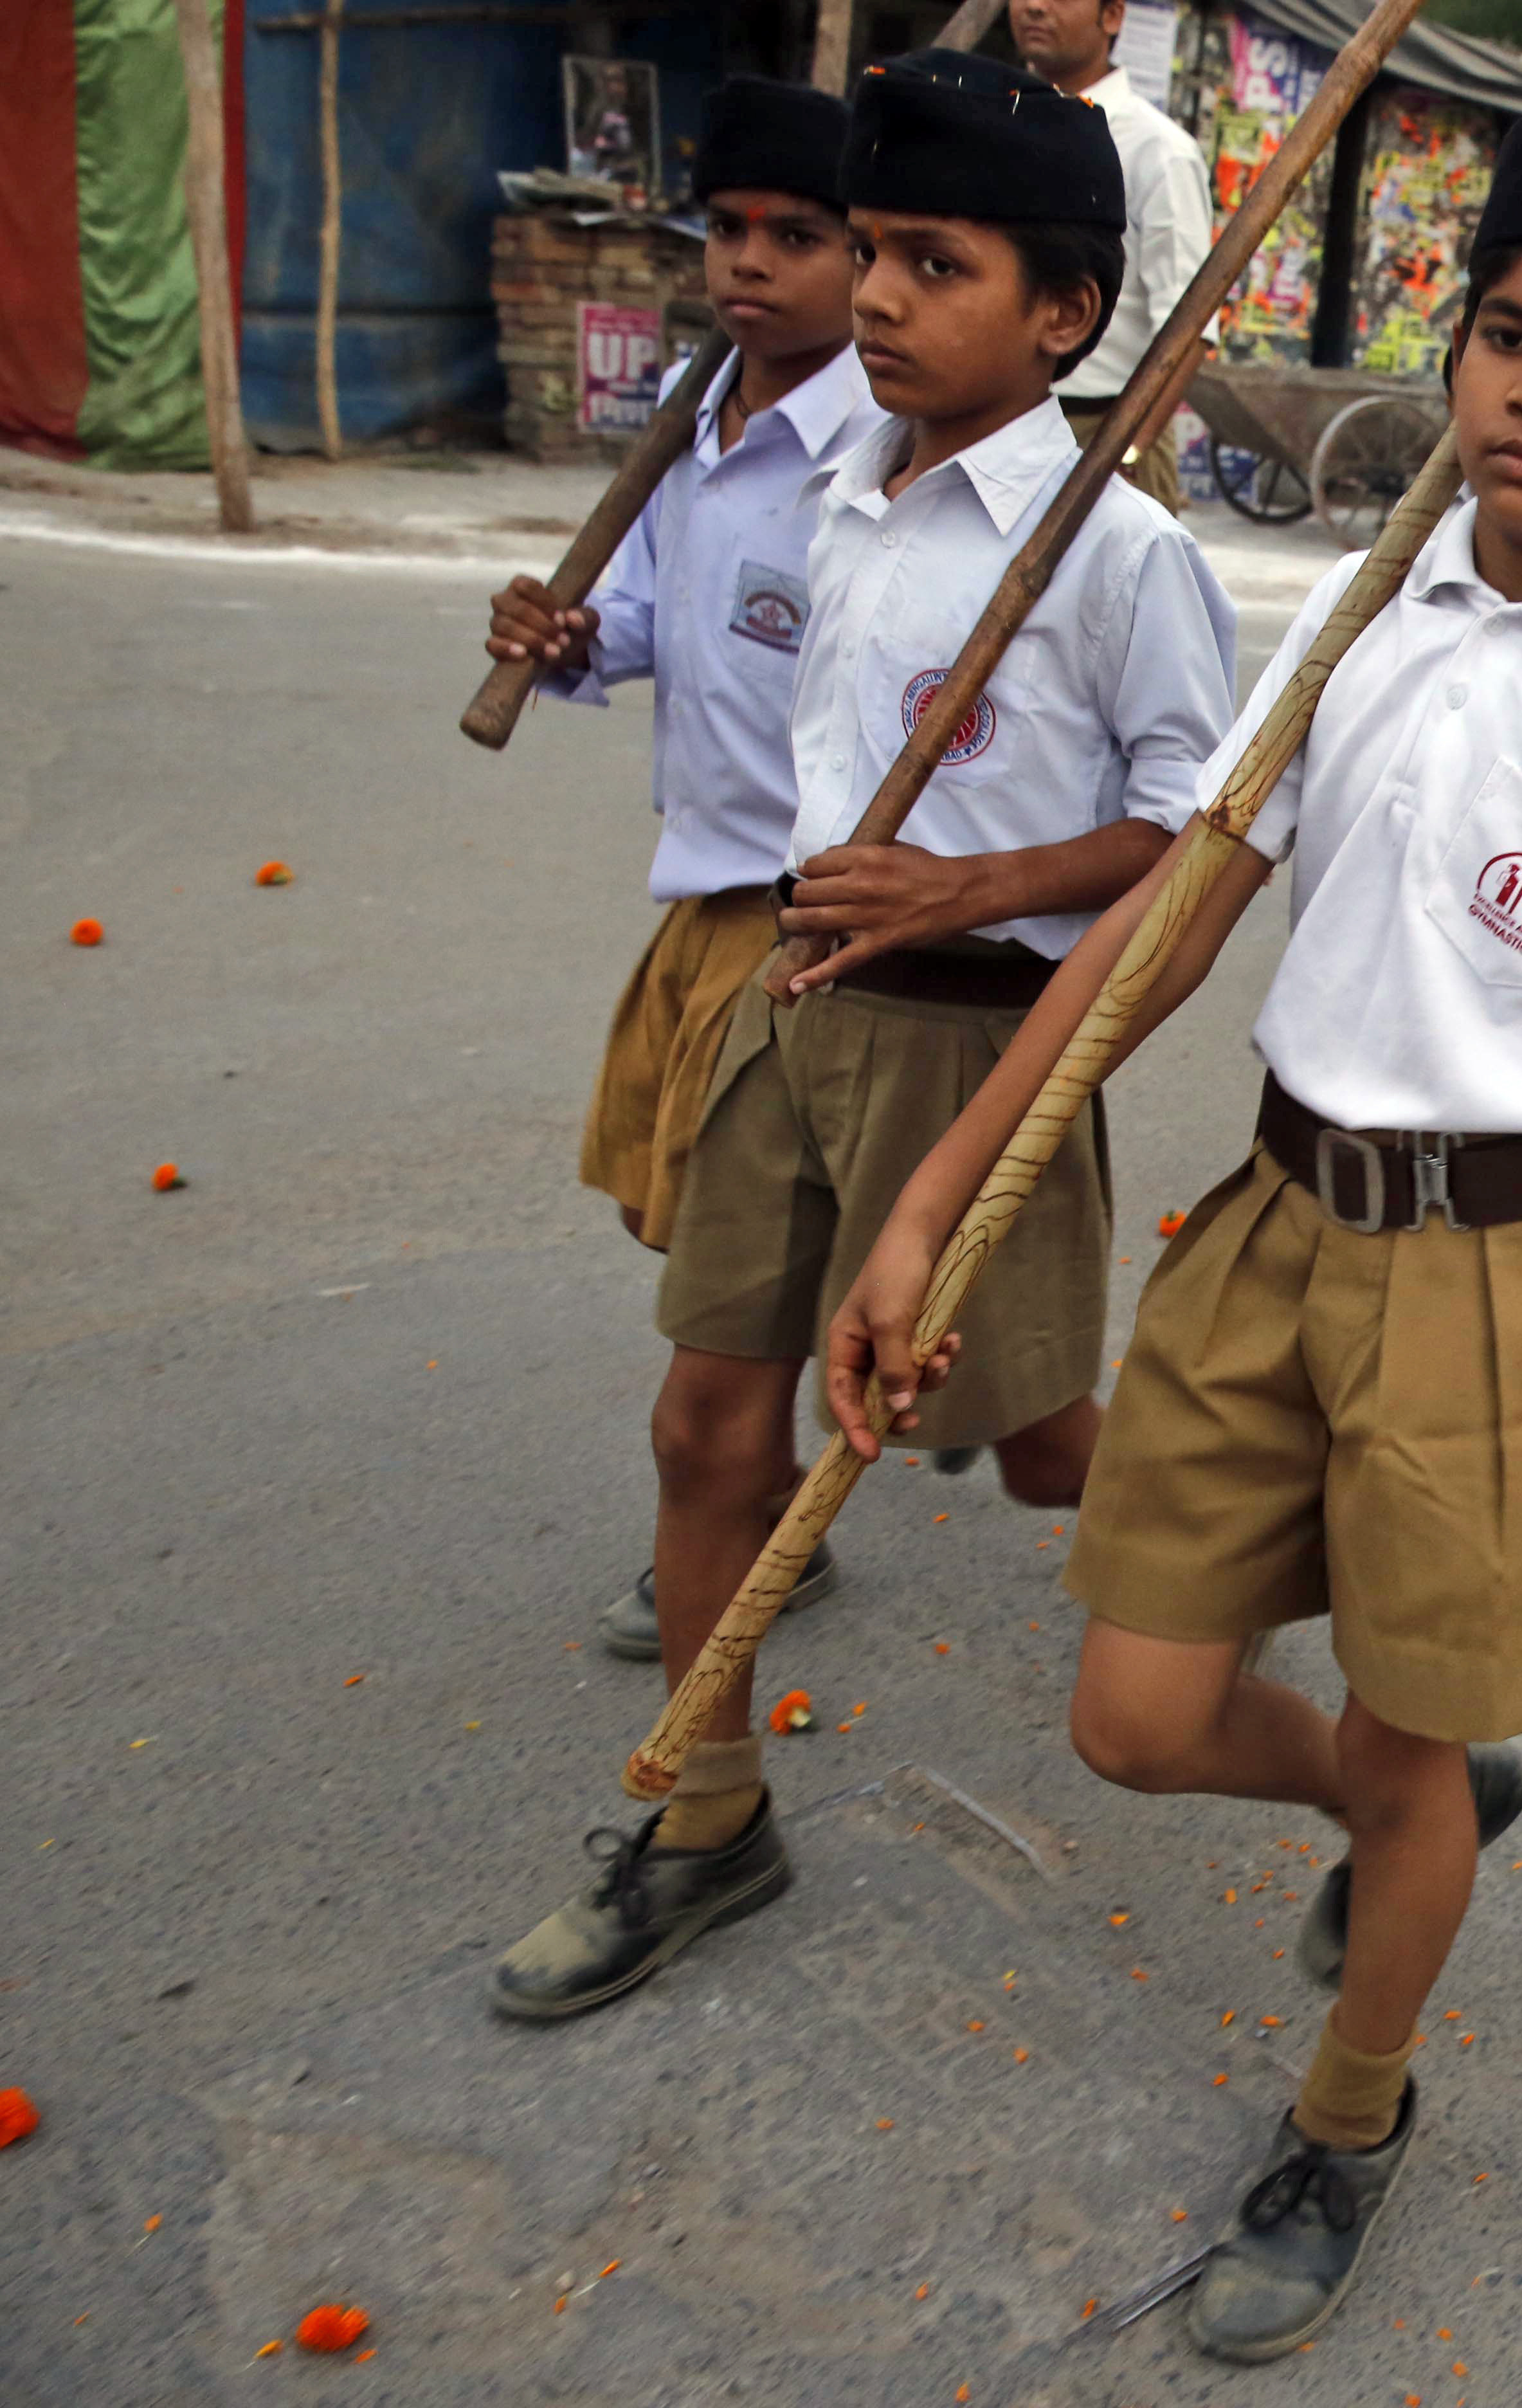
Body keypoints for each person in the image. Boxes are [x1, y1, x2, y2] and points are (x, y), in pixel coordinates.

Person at [825, 98, 1522, 2362]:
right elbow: (1163, 930)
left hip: (1502, 1288)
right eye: (1506, 336)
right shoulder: (1358, 619)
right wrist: (936, 1195)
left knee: (1392, 1730)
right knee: (1136, 1715)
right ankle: (1414, 1792)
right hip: (1271, 1224)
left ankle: (1351, 2111)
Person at [484, 47, 1240, 2021]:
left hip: (975, 1042)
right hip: (785, 1006)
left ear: (1064, 314)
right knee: (705, 1417)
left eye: (934, 262)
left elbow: (1199, 835)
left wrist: (973, 887)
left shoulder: (1115, 548)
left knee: (1045, 1457)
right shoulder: (827, 484)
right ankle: (708, 1812)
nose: (879, 297)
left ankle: (1272, 1565)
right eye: (874, 254)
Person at [484, 78, 885, 1660]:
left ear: (869, 257)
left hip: (812, 914)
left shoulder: (880, 446)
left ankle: (731, 1502)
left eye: (799, 236)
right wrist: (573, 636)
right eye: (728, 230)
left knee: (763, 1291)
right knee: (713, 1235)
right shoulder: (696, 419)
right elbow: (649, 623)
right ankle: (759, 1496)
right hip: (702, 886)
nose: (752, 264)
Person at [1015, 0, 1209, 511]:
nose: (1034, 6)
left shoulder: (1158, 150)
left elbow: (1189, 327)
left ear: (1113, 16)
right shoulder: (997, 129)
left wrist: (1128, 451)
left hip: (1103, 430)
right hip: (1003, 428)